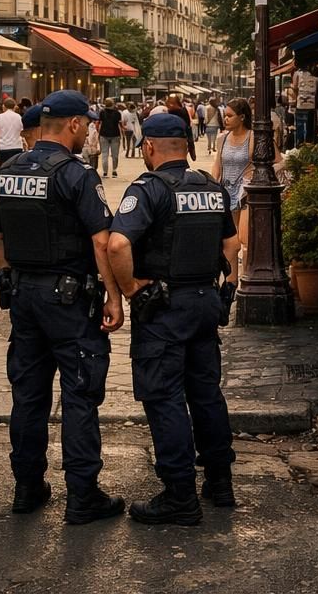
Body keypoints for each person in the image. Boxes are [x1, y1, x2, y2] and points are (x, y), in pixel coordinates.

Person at [0, 89, 124, 524]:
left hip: (24, 298)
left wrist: (15, 273)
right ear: (74, 124)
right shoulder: (76, 174)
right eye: (88, 125)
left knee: (28, 395)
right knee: (79, 394)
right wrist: (114, 296)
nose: (89, 132)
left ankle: (27, 488)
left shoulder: (8, 172)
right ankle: (83, 495)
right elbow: (101, 241)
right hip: (70, 301)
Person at [108, 114, 239, 525]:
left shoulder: (149, 189)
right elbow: (232, 243)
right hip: (204, 302)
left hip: (164, 309)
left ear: (148, 147)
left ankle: (180, 493)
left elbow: (117, 245)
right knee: (206, 393)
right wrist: (224, 284)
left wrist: (131, 289)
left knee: (164, 398)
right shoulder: (210, 187)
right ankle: (220, 482)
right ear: (186, 145)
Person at [212, 98, 255, 261]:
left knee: (244, 236)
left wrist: (257, 175)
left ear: (242, 117)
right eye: (225, 115)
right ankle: (233, 272)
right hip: (226, 190)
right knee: (230, 238)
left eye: (230, 116)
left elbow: (279, 161)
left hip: (246, 193)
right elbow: (218, 164)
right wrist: (212, 184)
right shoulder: (222, 138)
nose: (226, 119)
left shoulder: (253, 137)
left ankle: (248, 268)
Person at [0, 98, 24, 167]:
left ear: (4, 106)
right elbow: (22, 131)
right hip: (17, 146)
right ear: (14, 106)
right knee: (15, 168)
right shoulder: (18, 117)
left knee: (4, 168)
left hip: (3, 147)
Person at [97, 100, 122, 177]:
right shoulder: (117, 113)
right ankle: (114, 170)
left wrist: (98, 134)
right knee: (115, 155)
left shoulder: (102, 112)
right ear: (113, 104)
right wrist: (121, 135)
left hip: (104, 134)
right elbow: (119, 125)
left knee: (104, 154)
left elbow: (100, 124)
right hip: (115, 134)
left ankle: (105, 172)